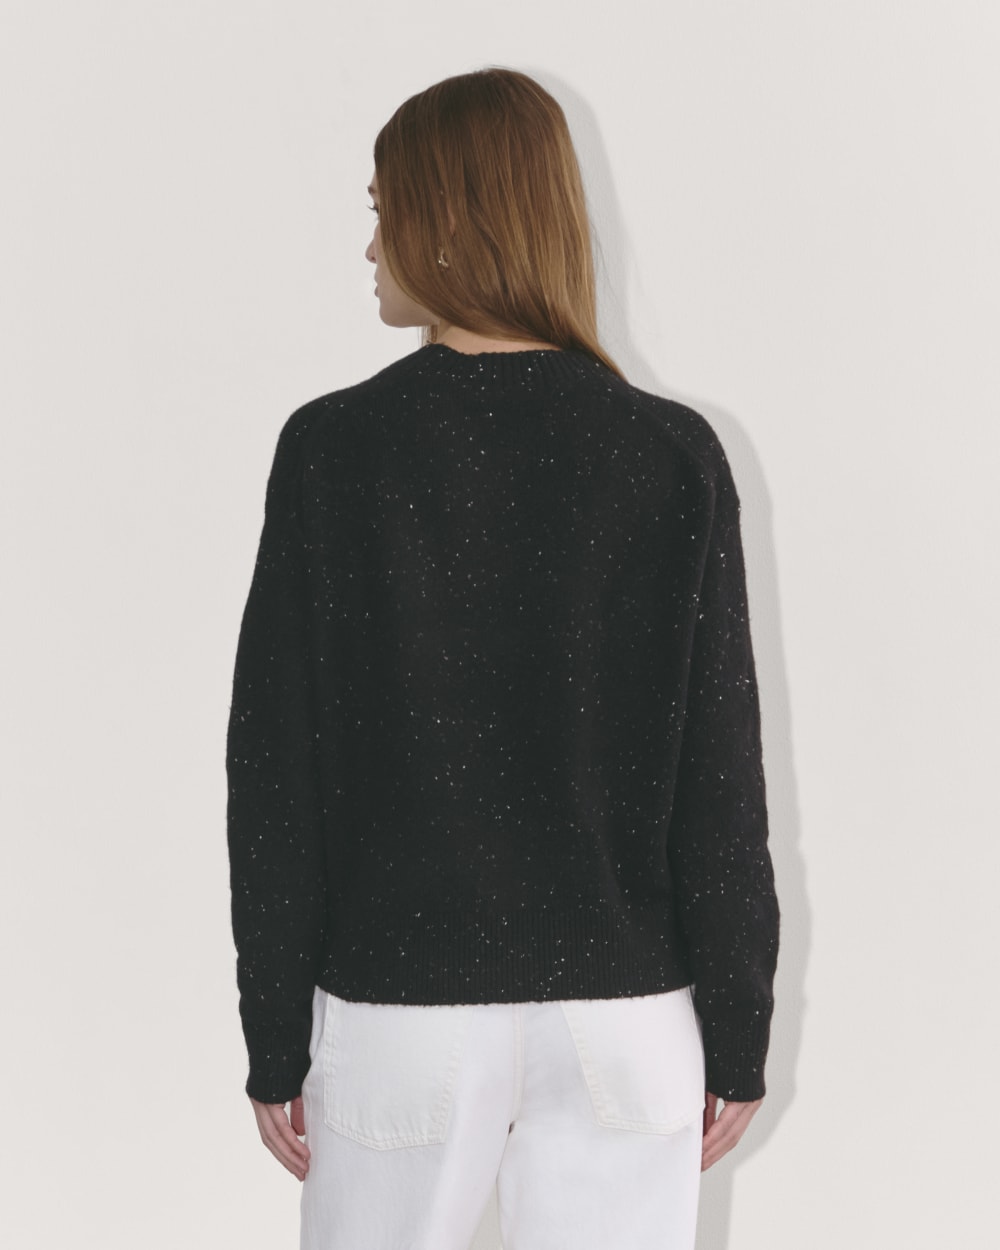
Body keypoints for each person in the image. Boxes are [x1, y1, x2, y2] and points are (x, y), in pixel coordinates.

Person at [227, 67, 779, 1250]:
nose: (370, 246)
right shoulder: (670, 453)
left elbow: (277, 772)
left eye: (383, 210)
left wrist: (273, 1029)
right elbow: (720, 776)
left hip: (403, 1010)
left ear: (446, 219)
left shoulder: (334, 451)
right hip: (627, 1019)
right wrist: (737, 1025)